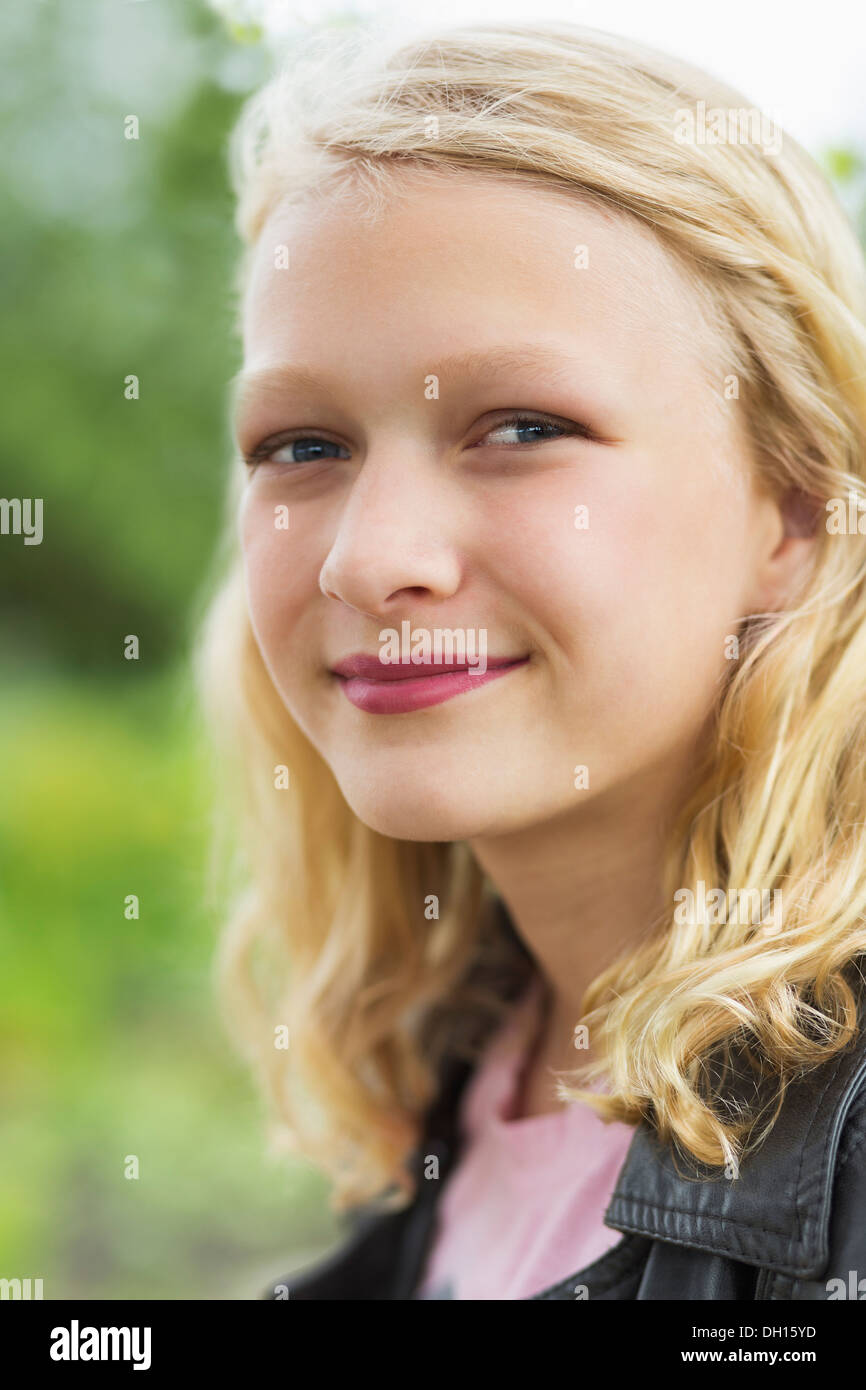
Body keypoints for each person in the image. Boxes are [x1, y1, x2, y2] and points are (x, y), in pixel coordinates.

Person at [196, 20, 866, 1300]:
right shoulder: (450, 1086)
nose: (366, 558)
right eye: (302, 445)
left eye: (519, 426)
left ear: (788, 513)